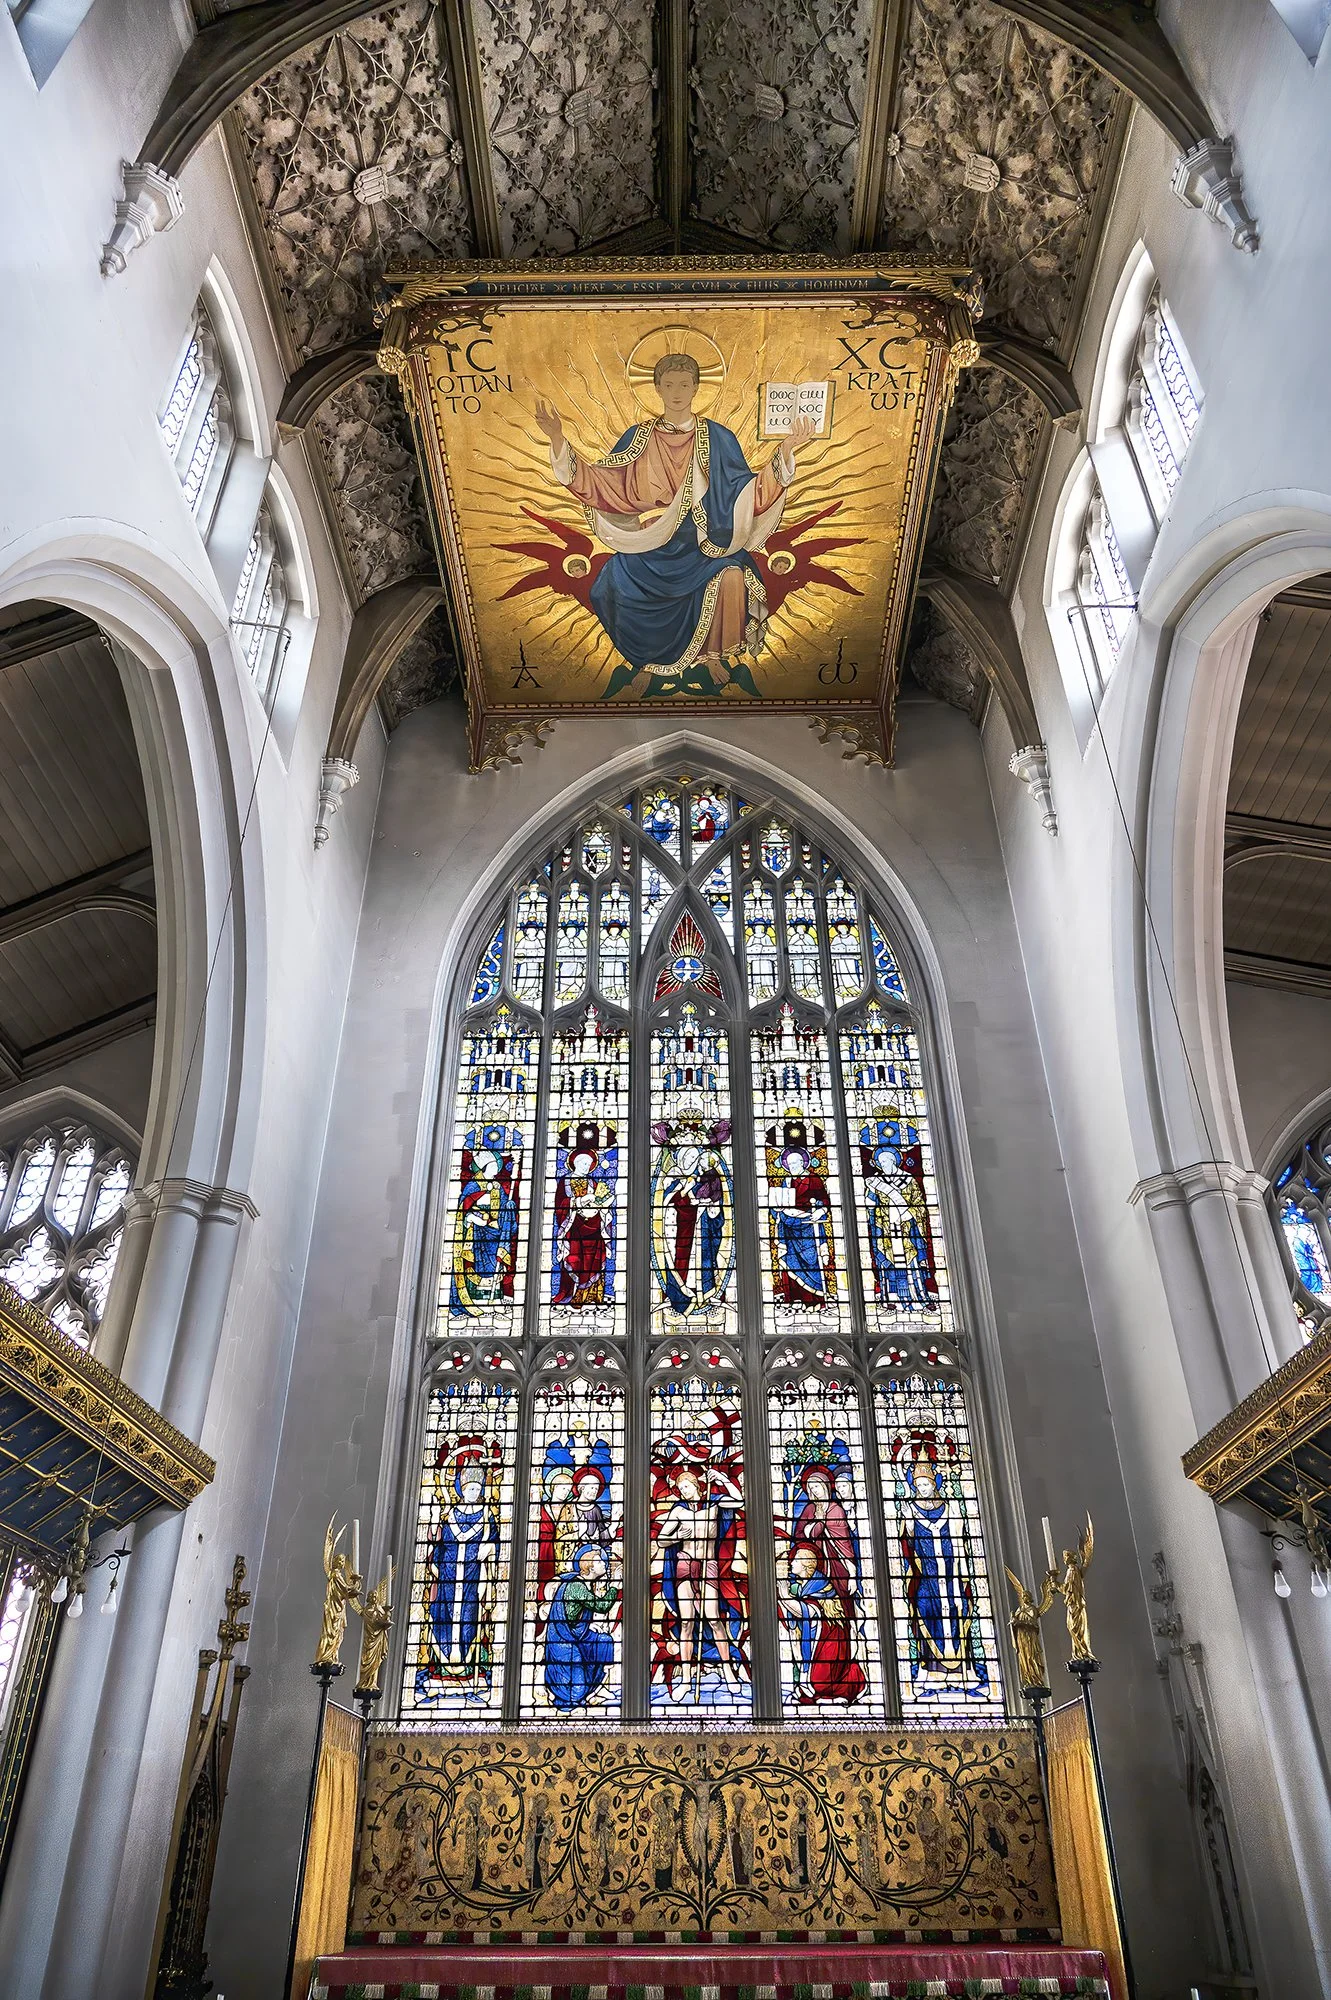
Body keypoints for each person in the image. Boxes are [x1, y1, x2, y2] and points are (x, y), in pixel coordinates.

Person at [534, 354, 816, 697]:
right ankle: (647, 662)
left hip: (705, 541)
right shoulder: (638, 438)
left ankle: (712, 656)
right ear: (657, 389)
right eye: (669, 385)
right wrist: (558, 441)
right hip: (649, 542)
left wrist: (786, 450)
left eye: (684, 384)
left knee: (731, 575)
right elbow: (601, 483)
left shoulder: (718, 438)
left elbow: (748, 493)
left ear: (696, 388)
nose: (677, 392)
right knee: (613, 583)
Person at [419, 1462, 501, 1700]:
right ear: (461, 1489)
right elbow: (440, 1545)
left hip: (472, 1578)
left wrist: (490, 1549)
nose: (474, 1493)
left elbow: (496, 1542)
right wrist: (435, 1562)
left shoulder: (486, 1516)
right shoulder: (450, 1516)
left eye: (478, 1489)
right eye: (470, 1488)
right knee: (443, 1619)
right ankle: (441, 1674)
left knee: (468, 1621)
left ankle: (468, 1673)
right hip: (448, 1576)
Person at [544, 1544, 619, 1710]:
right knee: (576, 1687)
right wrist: (615, 1586)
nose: (604, 1563)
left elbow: (576, 1614)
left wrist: (588, 1627)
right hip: (562, 1639)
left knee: (604, 1641)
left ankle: (596, 1689)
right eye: (599, 1561)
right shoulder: (577, 1586)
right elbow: (602, 1606)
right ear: (589, 1566)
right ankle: (567, 1698)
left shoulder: (585, 1584)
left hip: (578, 1635)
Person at [769, 1145, 834, 1307]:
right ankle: (794, 1300)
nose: (792, 1167)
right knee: (790, 1260)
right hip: (789, 1227)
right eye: (789, 1165)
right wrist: (777, 1209)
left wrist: (821, 1210)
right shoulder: (786, 1181)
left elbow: (825, 1200)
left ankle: (815, 1300)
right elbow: (779, 1202)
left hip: (809, 1225)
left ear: (802, 1163)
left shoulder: (814, 1179)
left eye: (795, 1164)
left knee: (812, 1262)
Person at [552, 1146, 613, 1306]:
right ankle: (572, 1295)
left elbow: (601, 1201)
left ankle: (592, 1295)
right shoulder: (565, 1182)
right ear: (576, 1163)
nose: (587, 1167)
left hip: (594, 1228)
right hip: (573, 1228)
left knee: (594, 1260)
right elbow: (560, 1204)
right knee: (574, 1258)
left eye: (589, 1164)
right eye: (584, 1164)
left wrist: (603, 1206)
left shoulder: (593, 1182)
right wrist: (580, 1201)